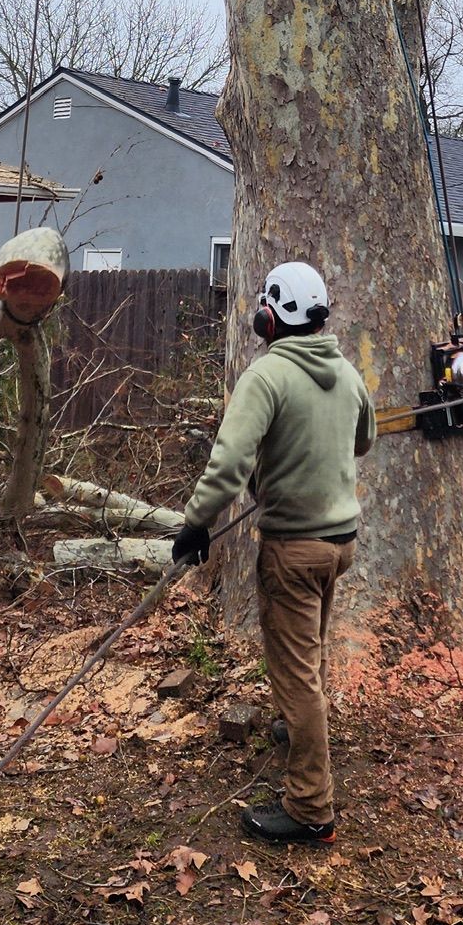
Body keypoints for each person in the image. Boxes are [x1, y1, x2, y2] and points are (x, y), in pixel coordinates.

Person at [172, 260, 376, 844]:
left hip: (293, 547)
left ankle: (312, 808)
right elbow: (364, 441)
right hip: (340, 544)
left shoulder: (266, 376)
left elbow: (229, 463)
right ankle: (298, 728)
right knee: (308, 652)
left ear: (271, 316)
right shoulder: (347, 372)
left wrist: (194, 525)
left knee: (296, 674)